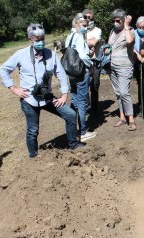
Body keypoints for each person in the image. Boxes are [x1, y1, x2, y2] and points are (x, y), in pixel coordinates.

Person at [0, 23, 84, 158]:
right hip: (29, 99)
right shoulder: (20, 55)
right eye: (37, 40)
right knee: (33, 129)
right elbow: (3, 70)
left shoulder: (51, 54)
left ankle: (73, 144)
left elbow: (61, 73)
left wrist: (64, 94)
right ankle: (33, 156)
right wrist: (13, 88)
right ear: (30, 40)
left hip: (47, 97)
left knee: (70, 115)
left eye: (42, 39)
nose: (41, 42)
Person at [65, 13, 97, 142]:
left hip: (71, 72)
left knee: (75, 101)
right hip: (81, 72)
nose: (86, 27)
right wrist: (91, 65)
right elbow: (83, 57)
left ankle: (74, 129)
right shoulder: (78, 36)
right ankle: (83, 132)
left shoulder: (70, 36)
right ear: (77, 24)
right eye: (84, 25)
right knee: (83, 102)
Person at [106, 8, 137, 131]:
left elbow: (129, 41)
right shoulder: (112, 31)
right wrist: (107, 50)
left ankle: (131, 120)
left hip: (125, 66)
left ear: (124, 20)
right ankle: (122, 117)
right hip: (112, 66)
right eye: (113, 20)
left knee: (124, 93)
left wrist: (126, 26)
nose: (115, 22)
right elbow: (110, 45)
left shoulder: (130, 31)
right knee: (118, 93)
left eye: (117, 20)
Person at [83, 9, 103, 116]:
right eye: (85, 17)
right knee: (84, 85)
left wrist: (83, 43)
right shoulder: (81, 30)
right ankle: (86, 107)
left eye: (89, 17)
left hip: (95, 61)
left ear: (93, 18)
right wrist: (89, 42)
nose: (87, 19)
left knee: (95, 85)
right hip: (84, 62)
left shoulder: (97, 30)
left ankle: (94, 109)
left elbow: (94, 42)